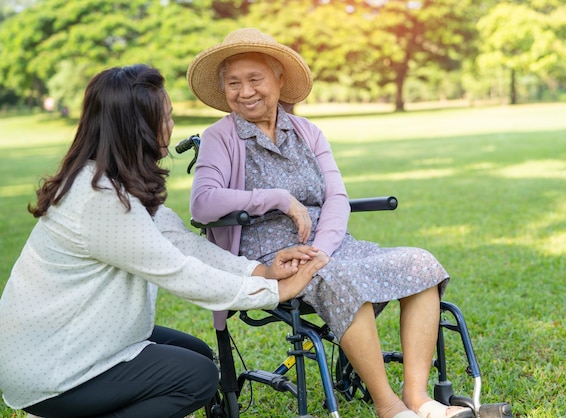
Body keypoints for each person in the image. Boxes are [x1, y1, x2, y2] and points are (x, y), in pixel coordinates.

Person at [0, 64, 329, 418]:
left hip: (67, 341)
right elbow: (179, 272)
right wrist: (275, 293)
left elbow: (182, 243)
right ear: (137, 129)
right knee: (197, 377)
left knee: (199, 355)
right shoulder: (101, 199)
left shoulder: (108, 180)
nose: (171, 127)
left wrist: (262, 271)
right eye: (165, 117)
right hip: (53, 367)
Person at [186, 28, 474, 418]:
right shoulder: (221, 137)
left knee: (420, 263)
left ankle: (418, 398)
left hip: (330, 245)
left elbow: (336, 197)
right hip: (272, 258)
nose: (245, 91)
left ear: (279, 80)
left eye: (255, 79)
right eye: (234, 83)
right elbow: (203, 203)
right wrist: (279, 199)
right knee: (337, 279)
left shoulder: (308, 132)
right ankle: (388, 406)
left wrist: (323, 248)